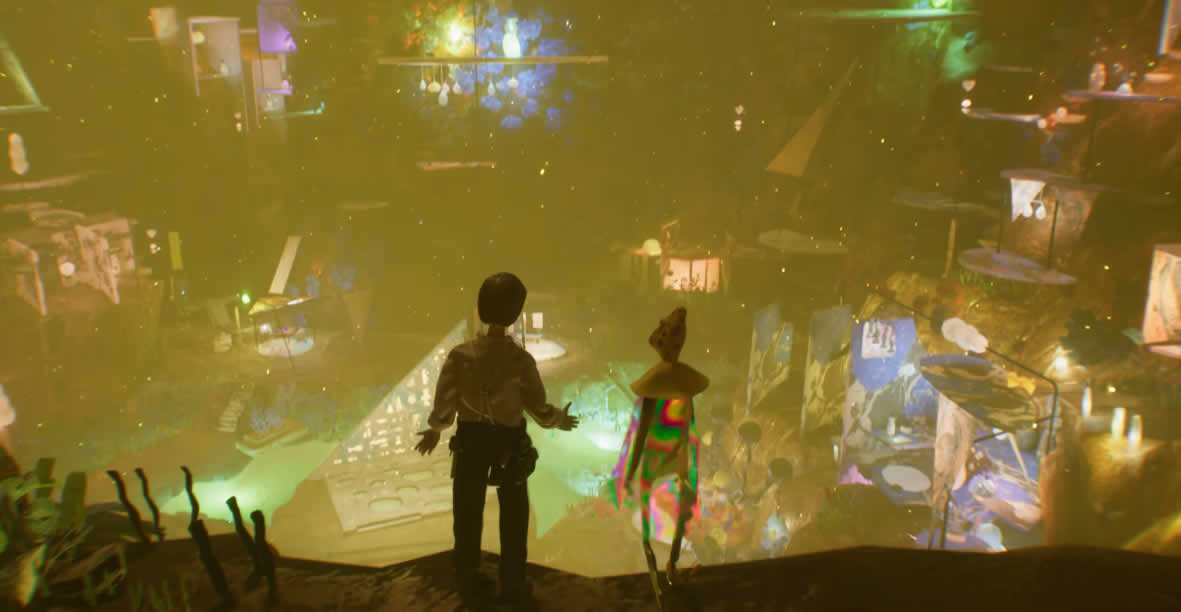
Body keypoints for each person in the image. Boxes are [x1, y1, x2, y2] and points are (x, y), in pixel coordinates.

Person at [415, 272, 579, 607]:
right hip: (509, 444)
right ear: (516, 313)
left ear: (480, 306)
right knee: (515, 515)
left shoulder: (460, 356)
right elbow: (537, 406)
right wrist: (557, 420)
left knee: (467, 512)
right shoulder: (520, 360)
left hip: (470, 442)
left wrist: (435, 429)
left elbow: (445, 402)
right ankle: (513, 582)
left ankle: (468, 578)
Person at [607, 306, 709, 590]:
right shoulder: (677, 384)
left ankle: (665, 564)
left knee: (664, 512)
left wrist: (630, 472)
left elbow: (650, 432)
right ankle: (667, 564)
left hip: (663, 456)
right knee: (672, 512)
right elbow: (686, 428)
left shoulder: (667, 384)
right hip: (667, 455)